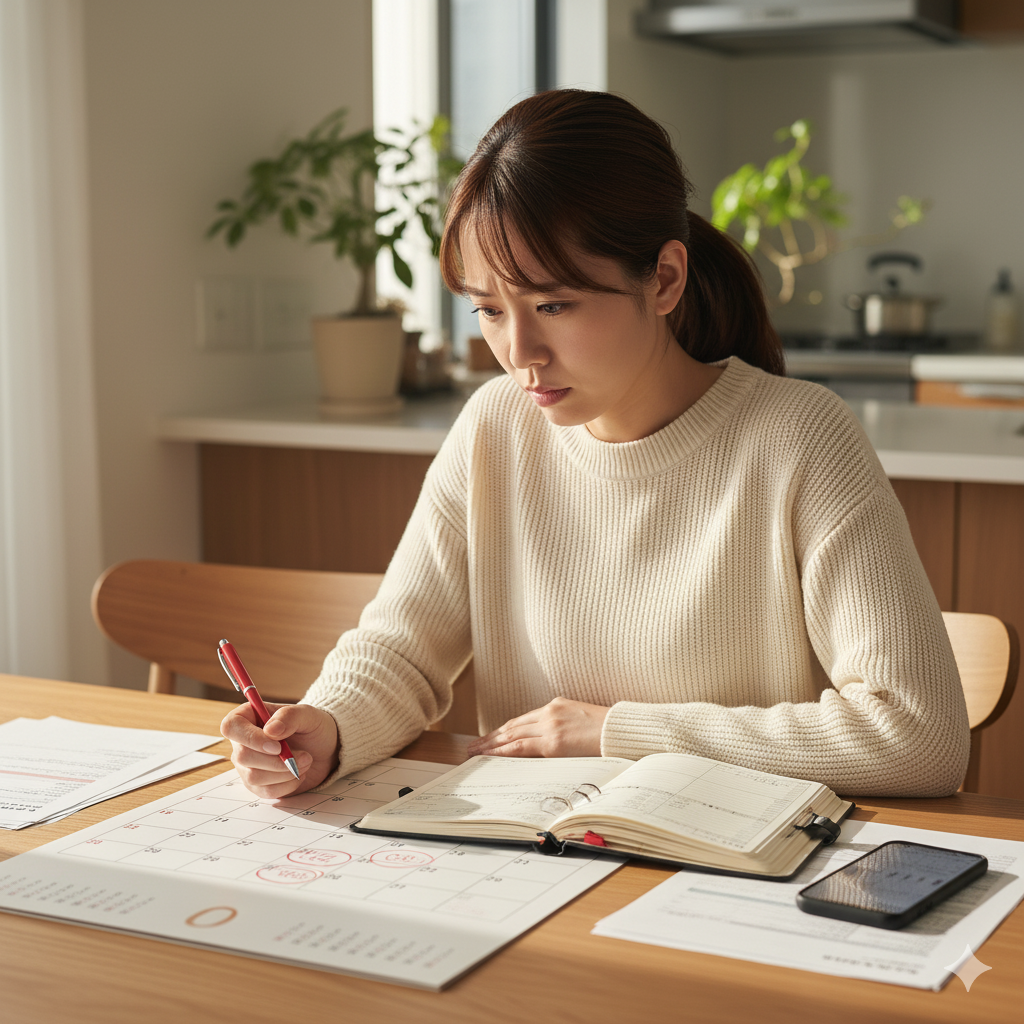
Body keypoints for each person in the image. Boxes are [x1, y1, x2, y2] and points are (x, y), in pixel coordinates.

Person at [221, 89, 969, 801]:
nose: (519, 352)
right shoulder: (494, 427)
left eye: (553, 303)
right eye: (488, 310)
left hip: (730, 876)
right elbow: (403, 650)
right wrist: (328, 726)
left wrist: (616, 731)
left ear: (665, 279)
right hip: (536, 859)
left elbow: (918, 735)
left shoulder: (800, 437)